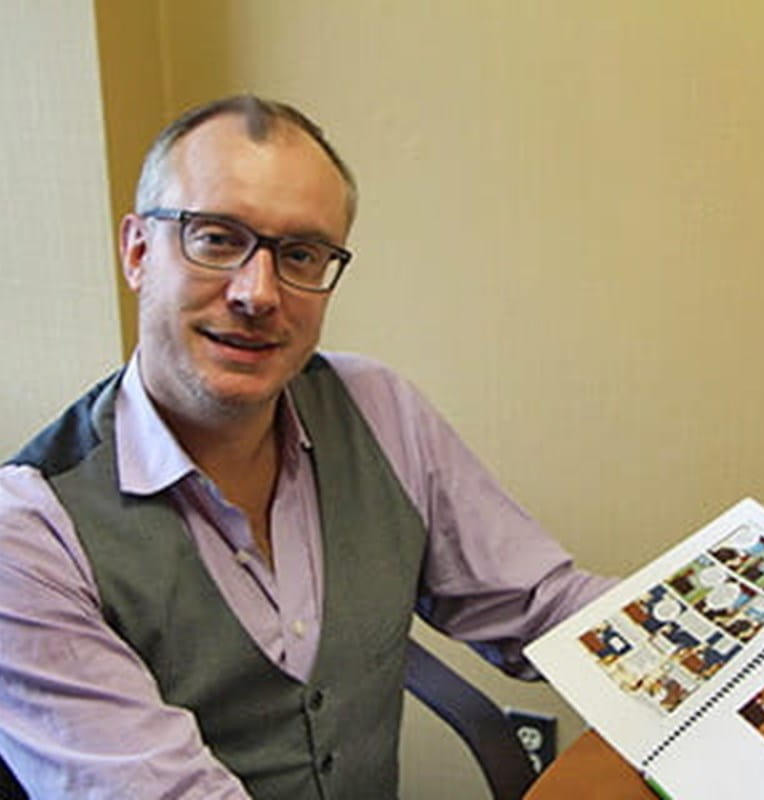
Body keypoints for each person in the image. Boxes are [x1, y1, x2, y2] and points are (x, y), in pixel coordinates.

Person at [0, 95, 614, 799]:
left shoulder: (378, 408)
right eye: (216, 238)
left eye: (299, 254)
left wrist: (739, 648)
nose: (258, 293)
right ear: (138, 251)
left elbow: (543, 603)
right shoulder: (27, 535)